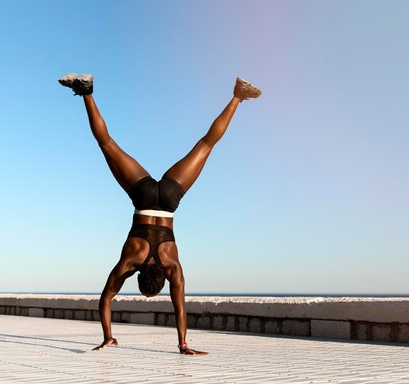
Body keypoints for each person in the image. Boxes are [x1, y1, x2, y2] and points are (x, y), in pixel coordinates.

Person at [59, 73, 262, 355]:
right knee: (107, 143)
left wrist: (183, 344)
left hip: (168, 200)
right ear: (140, 276)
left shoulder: (172, 268)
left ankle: (239, 95)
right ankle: (86, 91)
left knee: (205, 145)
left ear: (162, 278)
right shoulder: (130, 262)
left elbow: (180, 309)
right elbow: (105, 299)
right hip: (141, 195)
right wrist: (107, 336)